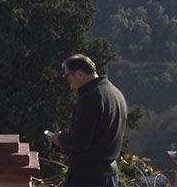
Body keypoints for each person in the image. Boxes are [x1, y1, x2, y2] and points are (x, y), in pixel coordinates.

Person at [48, 54, 127, 187]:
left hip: (88, 177)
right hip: (110, 175)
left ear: (79, 74)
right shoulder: (116, 93)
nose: (70, 85)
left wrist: (60, 138)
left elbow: (79, 142)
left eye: (68, 77)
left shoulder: (90, 99)